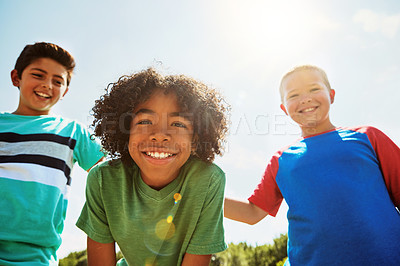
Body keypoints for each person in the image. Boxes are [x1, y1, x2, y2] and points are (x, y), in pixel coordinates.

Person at [224, 65, 400, 265]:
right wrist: (197, 194)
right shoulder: (281, 160)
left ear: (331, 95)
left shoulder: (367, 137)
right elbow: (252, 213)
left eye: (314, 89)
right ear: (284, 108)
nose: (305, 98)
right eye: (294, 95)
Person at [76, 68, 229, 265]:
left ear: (195, 139)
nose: (160, 134)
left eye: (178, 124)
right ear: (125, 132)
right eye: (145, 121)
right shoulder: (102, 180)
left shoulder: (209, 180)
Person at [0, 42, 104, 265]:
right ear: (16, 78)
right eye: (38, 75)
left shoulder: (73, 132)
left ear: (65, 90)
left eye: (57, 81)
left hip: (37, 257)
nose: (47, 85)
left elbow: (113, 172)